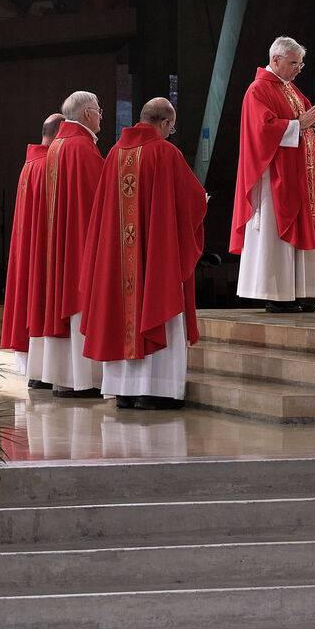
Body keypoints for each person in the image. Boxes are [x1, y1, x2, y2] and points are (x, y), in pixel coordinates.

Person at [79, 98, 207, 409]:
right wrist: (201, 202)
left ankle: (124, 391)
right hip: (155, 259)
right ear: (164, 123)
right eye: (171, 128)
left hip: (118, 261)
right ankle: (157, 391)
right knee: (158, 302)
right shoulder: (166, 153)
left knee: (120, 310)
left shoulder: (114, 153)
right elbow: (191, 201)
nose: (170, 133)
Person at [231, 37, 315, 313]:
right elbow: (261, 130)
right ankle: (276, 295)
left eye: (301, 65)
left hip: (300, 176)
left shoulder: (291, 89)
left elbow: (308, 123)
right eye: (294, 63)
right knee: (275, 232)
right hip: (274, 176)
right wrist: (298, 124)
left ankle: (298, 292)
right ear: (275, 59)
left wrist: (313, 125)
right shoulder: (258, 90)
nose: (298, 69)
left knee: (303, 229)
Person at [31, 91, 105, 397]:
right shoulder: (82, 148)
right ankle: (83, 379)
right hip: (80, 244)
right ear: (87, 114)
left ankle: (63, 377)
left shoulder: (58, 146)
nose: (101, 117)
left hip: (61, 243)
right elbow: (101, 198)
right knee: (81, 301)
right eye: (98, 111)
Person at [0, 113, 64, 389]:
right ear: (59, 134)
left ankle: (35, 371)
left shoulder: (29, 164)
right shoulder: (48, 165)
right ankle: (44, 370)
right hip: (43, 251)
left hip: (30, 249)